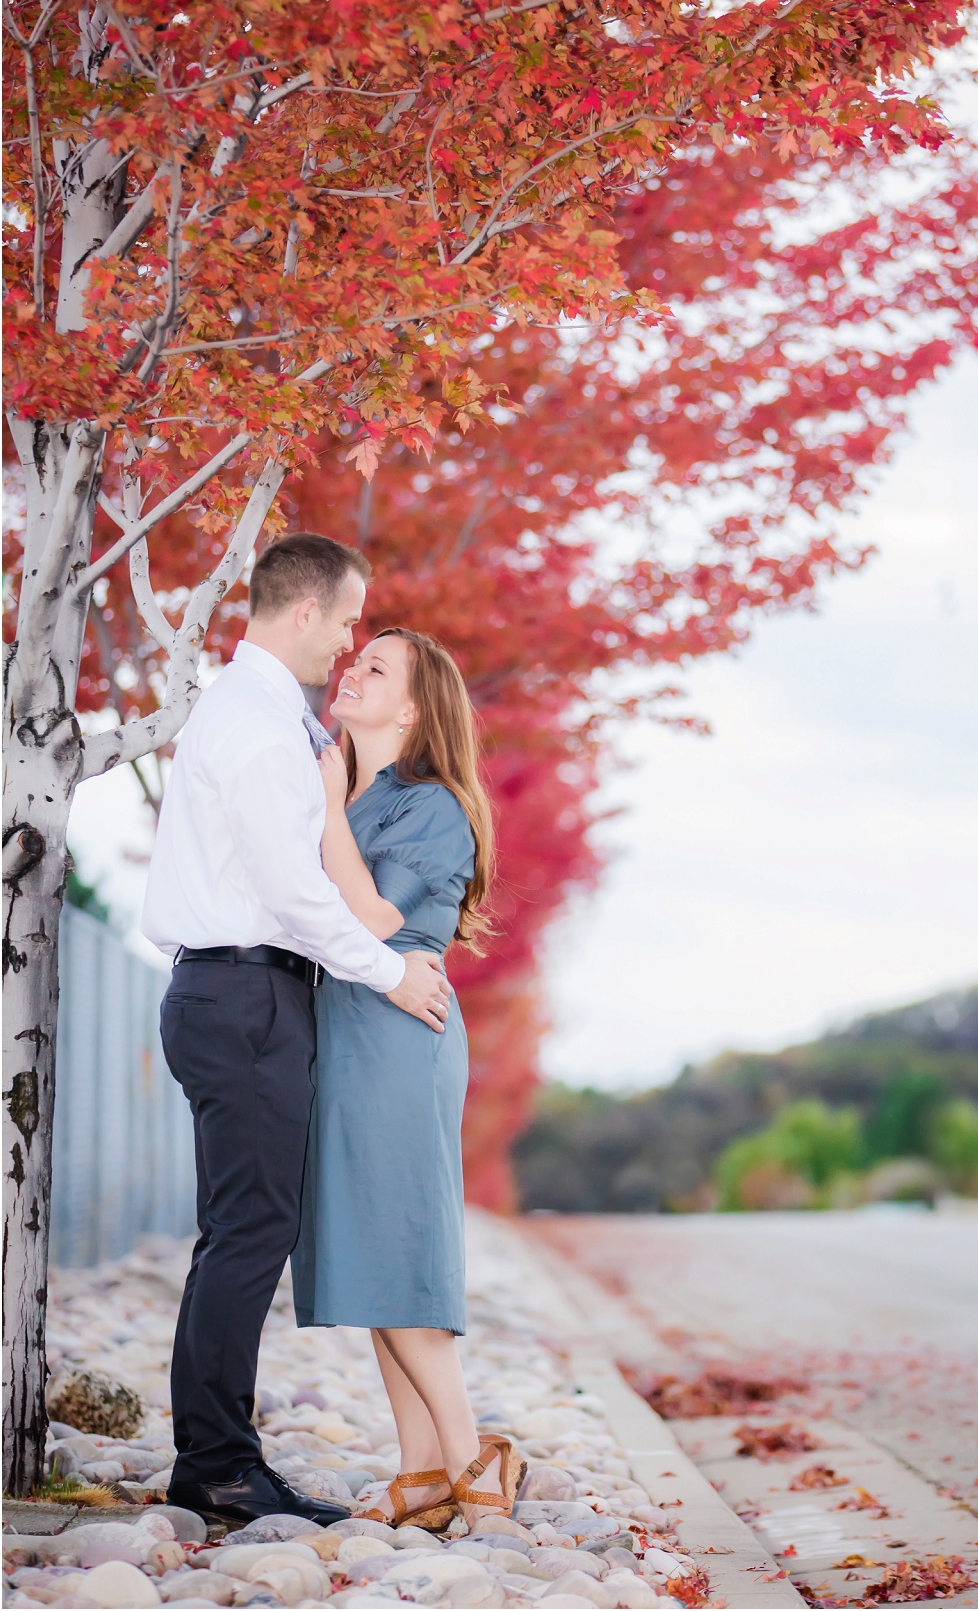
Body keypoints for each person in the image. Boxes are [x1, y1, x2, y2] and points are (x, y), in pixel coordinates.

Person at [142, 534, 452, 1529]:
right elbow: (296, 894)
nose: (348, 644)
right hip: (245, 999)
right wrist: (392, 971)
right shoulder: (266, 731)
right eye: (349, 621)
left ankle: (216, 1455)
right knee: (248, 1235)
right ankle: (220, 1467)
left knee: (239, 1231)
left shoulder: (253, 713)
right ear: (308, 612)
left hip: (231, 995)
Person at [291, 627, 525, 1529]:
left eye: (376, 668)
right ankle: (421, 1470)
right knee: (364, 1245)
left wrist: (322, 807)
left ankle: (474, 1459)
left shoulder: (430, 804)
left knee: (398, 1243)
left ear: (415, 710)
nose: (354, 670)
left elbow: (376, 912)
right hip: (340, 1029)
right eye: (358, 659)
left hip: (397, 1032)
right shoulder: (354, 793)